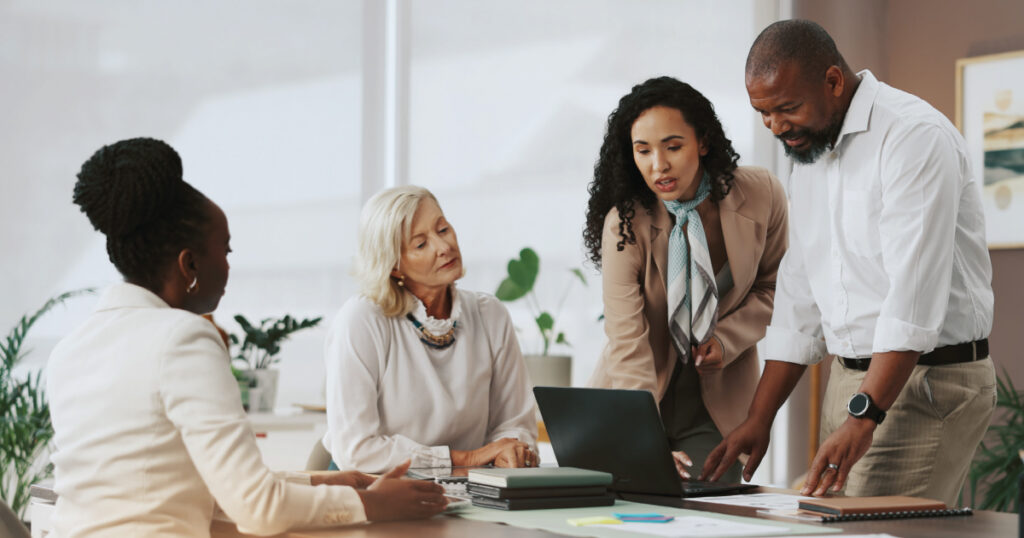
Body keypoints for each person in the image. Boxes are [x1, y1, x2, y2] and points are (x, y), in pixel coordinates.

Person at [47, 138, 446, 537]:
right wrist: (372, 504)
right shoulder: (182, 339)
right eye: (225, 250)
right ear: (190, 265)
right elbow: (258, 509)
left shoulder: (71, 349)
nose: (228, 265)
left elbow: (190, 487)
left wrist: (326, 482)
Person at [701, 20, 996, 506]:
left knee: (869, 532)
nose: (776, 127)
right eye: (764, 114)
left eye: (787, 108)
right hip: (854, 383)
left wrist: (863, 415)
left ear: (834, 82)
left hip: (927, 383)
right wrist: (759, 417)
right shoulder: (811, 152)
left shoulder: (912, 137)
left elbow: (911, 303)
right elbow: (799, 295)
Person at [584, 77, 788, 482]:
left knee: (704, 503)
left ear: (704, 143)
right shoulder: (624, 224)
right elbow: (627, 340)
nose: (657, 165)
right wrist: (645, 435)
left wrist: (726, 340)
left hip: (717, 401)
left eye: (672, 147)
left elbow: (777, 290)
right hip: (636, 393)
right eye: (643, 151)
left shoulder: (762, 194)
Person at [322, 185, 538, 473]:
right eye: (421, 244)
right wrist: (469, 459)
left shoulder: (490, 315)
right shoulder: (362, 319)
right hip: (377, 490)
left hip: (470, 488)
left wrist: (512, 450)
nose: (443, 247)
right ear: (395, 267)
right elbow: (356, 449)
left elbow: (515, 423)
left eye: (443, 229)